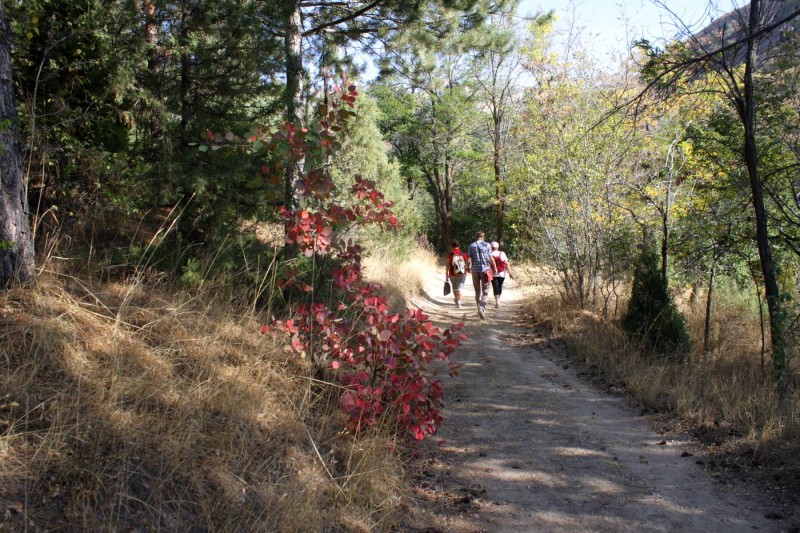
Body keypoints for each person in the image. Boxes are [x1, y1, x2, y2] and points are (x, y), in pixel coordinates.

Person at [467, 231, 497, 320]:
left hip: (475, 270)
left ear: (476, 236)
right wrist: (495, 268)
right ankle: (482, 307)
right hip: (485, 270)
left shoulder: (471, 246)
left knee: (477, 290)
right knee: (485, 291)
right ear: (483, 237)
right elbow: (491, 258)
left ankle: (478, 307)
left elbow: (469, 259)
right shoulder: (487, 245)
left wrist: (468, 268)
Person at [445, 240, 470, 308]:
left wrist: (446, 273)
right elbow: (467, 262)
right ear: (459, 246)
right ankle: (459, 302)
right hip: (462, 273)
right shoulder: (463, 253)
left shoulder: (450, 254)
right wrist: (467, 269)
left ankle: (456, 299)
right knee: (460, 288)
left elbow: (447, 264)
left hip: (452, 273)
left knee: (455, 287)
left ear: (452, 246)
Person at [490, 241, 514, 308]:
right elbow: (507, 263)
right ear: (497, 247)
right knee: (499, 286)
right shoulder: (502, 253)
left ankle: (497, 301)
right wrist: (510, 273)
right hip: (501, 274)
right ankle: (498, 301)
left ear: (491, 247)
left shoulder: (489, 254)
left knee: (495, 287)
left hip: (493, 274)